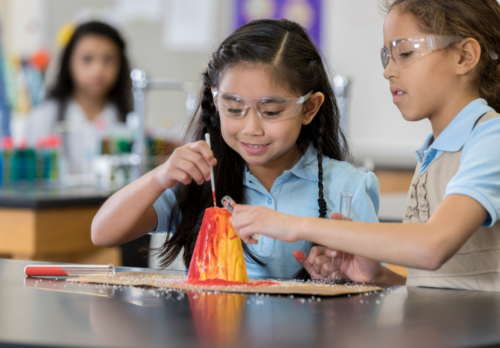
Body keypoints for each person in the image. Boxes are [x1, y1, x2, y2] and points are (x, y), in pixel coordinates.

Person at [231, 0, 500, 290]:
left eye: (405, 53)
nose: (388, 71)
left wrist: (295, 224)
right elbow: (442, 286)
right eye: (388, 57)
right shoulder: (434, 153)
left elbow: (432, 247)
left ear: (464, 56)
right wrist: (377, 277)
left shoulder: (491, 137)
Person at [91, 19, 380, 279]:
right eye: (234, 108)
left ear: (309, 108)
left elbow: (374, 282)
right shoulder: (202, 180)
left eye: (271, 111)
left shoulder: (347, 188)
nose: (251, 128)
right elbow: (103, 232)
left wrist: (345, 274)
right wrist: (160, 176)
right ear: (215, 102)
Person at [26, 21, 132, 174]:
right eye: (87, 59)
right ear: (69, 63)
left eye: (108, 59)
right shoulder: (43, 118)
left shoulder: (129, 120)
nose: (98, 70)